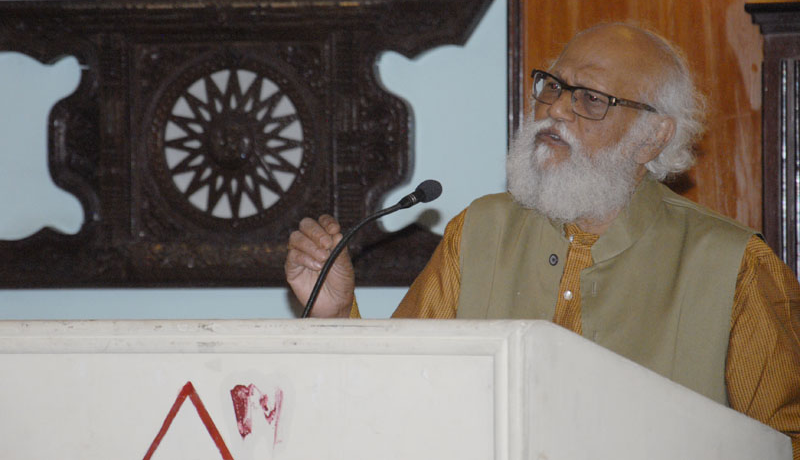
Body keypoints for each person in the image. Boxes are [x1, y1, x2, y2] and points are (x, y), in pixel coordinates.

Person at [285, 22, 800, 456]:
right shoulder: (480, 231)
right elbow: (399, 395)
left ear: (653, 136)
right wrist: (335, 313)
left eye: (591, 99)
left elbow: (784, 443)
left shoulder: (732, 264)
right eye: (553, 86)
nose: (556, 110)